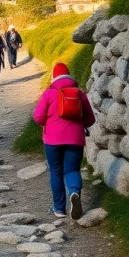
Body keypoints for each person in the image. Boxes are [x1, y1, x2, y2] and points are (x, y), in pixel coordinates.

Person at [33, 63, 96, 219]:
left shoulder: (49, 93)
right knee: (72, 170)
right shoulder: (79, 93)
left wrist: (48, 123)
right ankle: (74, 192)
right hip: (75, 139)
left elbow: (38, 117)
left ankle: (59, 209)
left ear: (54, 76)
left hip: (52, 140)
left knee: (56, 171)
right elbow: (90, 119)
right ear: (69, 75)